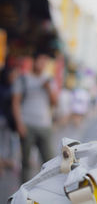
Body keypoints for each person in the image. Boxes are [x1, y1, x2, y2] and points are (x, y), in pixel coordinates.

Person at [11, 52, 58, 182]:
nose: (42, 64)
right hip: (27, 124)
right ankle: (23, 192)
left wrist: (48, 88)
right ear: (34, 61)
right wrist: (19, 124)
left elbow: (55, 102)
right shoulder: (24, 78)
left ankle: (45, 190)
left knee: (50, 161)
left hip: (44, 125)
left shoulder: (49, 79)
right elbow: (15, 102)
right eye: (40, 61)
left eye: (45, 62)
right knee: (25, 162)